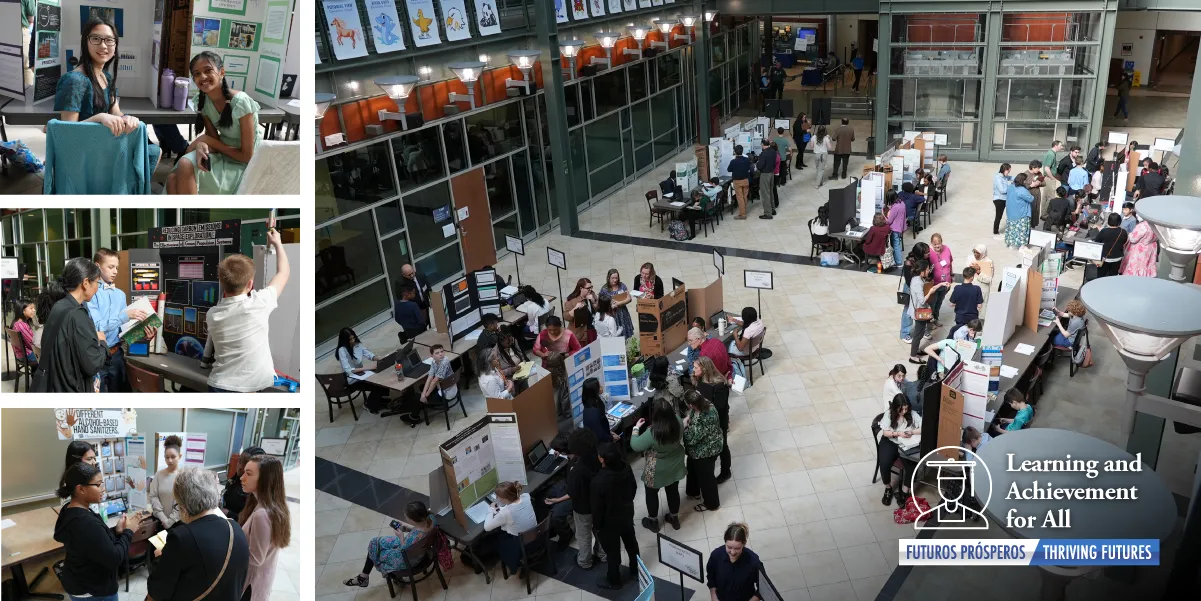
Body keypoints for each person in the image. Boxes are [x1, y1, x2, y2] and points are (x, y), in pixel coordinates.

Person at [55, 18, 161, 171]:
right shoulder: (74, 80)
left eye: (109, 40)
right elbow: (68, 133)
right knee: (149, 153)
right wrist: (99, 118)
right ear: (85, 42)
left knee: (151, 149)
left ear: (115, 45)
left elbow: (115, 111)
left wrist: (126, 118)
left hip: (103, 143)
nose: (103, 45)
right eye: (96, 39)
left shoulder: (106, 77)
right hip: (85, 155)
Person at [201, 217, 289, 392]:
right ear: (250, 284)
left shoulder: (212, 314)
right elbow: (283, 273)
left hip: (217, 384)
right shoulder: (258, 304)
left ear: (221, 282)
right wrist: (278, 243)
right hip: (249, 388)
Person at [147, 466, 250, 601]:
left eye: (178, 504)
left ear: (184, 505)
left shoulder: (181, 538)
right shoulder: (236, 529)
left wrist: (160, 558)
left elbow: (157, 591)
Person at [166, 52, 260, 194]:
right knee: (173, 178)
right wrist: (202, 145)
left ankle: (194, 214)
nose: (202, 77)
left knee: (185, 165)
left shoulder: (241, 103)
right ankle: (181, 215)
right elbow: (213, 140)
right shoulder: (203, 100)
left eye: (208, 70)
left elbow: (247, 156)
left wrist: (204, 140)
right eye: (197, 74)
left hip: (244, 162)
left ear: (222, 72)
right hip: (223, 153)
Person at [53, 462, 140, 601]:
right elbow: (114, 558)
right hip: (92, 591)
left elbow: (96, 545)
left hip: (81, 580)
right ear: (80, 489)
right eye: (98, 485)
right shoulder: (85, 522)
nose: (103, 489)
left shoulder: (71, 510)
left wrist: (117, 532)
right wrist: (129, 531)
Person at [30, 258, 108, 392]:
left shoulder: (59, 306)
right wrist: (102, 343)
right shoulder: (77, 315)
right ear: (85, 283)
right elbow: (92, 364)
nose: (97, 288)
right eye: (97, 283)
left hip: (54, 385)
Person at [87, 248, 155, 392]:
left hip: (117, 355)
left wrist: (142, 335)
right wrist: (125, 316)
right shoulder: (90, 293)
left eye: (117, 267)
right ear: (97, 266)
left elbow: (123, 330)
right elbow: (98, 326)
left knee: (121, 401)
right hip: (97, 356)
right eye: (111, 267)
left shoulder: (120, 295)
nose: (115, 271)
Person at [344, 501, 440, 587]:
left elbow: (404, 550)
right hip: (419, 549)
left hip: (409, 559)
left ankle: (363, 578)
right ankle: (363, 577)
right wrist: (407, 529)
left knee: (376, 553)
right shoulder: (431, 519)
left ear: (413, 520)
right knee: (375, 543)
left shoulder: (414, 537)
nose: (405, 518)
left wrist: (401, 537)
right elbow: (420, 533)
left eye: (407, 517)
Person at [239, 455, 291, 601]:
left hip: (251, 585)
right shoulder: (266, 507)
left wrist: (229, 546)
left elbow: (256, 558)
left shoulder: (262, 514)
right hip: (259, 581)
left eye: (249, 474)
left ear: (265, 479)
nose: (242, 478)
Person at [630, 398, 686, 533]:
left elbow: (635, 445)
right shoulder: (678, 421)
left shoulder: (653, 433)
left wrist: (636, 428)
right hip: (675, 463)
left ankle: (653, 521)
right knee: (673, 491)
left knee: (651, 493)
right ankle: (674, 518)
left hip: (656, 468)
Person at [592, 442, 639, 590]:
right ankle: (635, 570)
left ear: (602, 459)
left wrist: (597, 526)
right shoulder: (626, 467)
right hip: (626, 514)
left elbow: (597, 508)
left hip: (609, 523)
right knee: (631, 544)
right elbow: (634, 488)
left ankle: (614, 580)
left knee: (612, 553)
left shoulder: (598, 481)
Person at [482, 481, 538, 572]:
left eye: (498, 497)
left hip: (519, 543)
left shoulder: (505, 513)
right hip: (534, 535)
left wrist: (491, 510)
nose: (497, 499)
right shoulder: (526, 496)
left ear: (504, 499)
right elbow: (515, 507)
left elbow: (487, 527)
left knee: (493, 538)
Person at [877, 394, 921, 506]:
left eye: (906, 409)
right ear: (896, 407)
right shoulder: (889, 414)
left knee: (911, 465)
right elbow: (886, 433)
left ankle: (905, 492)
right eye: (902, 409)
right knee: (885, 463)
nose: (904, 411)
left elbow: (923, 427)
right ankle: (888, 487)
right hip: (891, 440)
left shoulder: (912, 414)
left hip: (906, 443)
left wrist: (912, 432)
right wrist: (899, 433)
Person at [682, 390, 723, 512]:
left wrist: (684, 427)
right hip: (714, 443)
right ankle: (693, 491)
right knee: (692, 467)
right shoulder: (707, 403)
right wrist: (690, 417)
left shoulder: (700, 420)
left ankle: (712, 503)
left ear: (691, 405)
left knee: (707, 478)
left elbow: (691, 439)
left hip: (705, 452)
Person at [692, 356, 732, 482]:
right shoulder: (700, 380)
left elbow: (719, 408)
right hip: (705, 421)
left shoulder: (720, 385)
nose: (693, 370)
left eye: (696, 367)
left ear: (704, 369)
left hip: (719, 421)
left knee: (722, 445)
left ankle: (726, 471)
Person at [335, 327, 388, 411]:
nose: (352, 341)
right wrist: (367, 367)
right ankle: (369, 405)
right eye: (350, 339)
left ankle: (379, 399)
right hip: (352, 378)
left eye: (353, 338)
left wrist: (381, 358)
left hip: (361, 374)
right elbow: (348, 371)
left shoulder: (357, 345)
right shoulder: (342, 350)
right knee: (377, 384)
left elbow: (370, 355)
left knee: (381, 376)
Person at [706, 523, 762, 601]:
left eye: (737, 548)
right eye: (729, 547)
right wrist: (713, 595)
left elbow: (762, 589)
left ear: (744, 544)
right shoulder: (716, 556)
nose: (732, 552)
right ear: (725, 542)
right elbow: (711, 577)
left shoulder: (754, 563)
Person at [908, 260, 947, 361]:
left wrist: (941, 285)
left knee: (919, 333)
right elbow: (922, 301)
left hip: (920, 310)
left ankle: (915, 350)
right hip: (919, 312)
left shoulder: (918, 279)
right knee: (918, 334)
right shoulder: (917, 282)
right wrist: (930, 292)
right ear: (922, 271)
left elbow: (927, 287)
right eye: (927, 269)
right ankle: (913, 356)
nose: (929, 270)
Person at [898, 242, 930, 344]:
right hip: (911, 288)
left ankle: (922, 330)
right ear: (920, 253)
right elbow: (908, 280)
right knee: (908, 310)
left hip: (921, 285)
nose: (929, 254)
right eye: (926, 252)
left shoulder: (925, 259)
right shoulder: (909, 263)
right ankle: (905, 333)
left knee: (923, 308)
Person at [149, 435, 183, 528]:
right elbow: (153, 496)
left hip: (178, 523)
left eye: (173, 457)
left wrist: (170, 521)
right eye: (167, 457)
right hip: (160, 521)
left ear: (179, 456)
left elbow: (182, 503)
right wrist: (163, 518)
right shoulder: (158, 475)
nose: (169, 460)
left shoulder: (183, 476)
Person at [222, 446, 265, 518]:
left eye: (245, 463)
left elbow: (250, 520)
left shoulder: (256, 493)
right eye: (240, 461)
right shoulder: (235, 479)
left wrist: (229, 513)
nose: (240, 466)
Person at [598, 269, 635, 338]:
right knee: (614, 334)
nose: (615, 280)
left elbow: (629, 298)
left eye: (616, 278)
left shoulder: (622, 285)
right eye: (613, 278)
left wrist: (619, 303)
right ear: (608, 278)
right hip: (611, 314)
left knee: (624, 334)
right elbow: (600, 302)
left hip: (622, 313)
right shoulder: (604, 289)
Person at [927, 234, 953, 327]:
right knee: (932, 303)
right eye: (935, 244)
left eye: (939, 243)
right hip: (934, 284)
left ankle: (936, 318)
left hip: (945, 282)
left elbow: (950, 263)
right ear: (931, 243)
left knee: (939, 302)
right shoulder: (929, 252)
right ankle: (929, 322)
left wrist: (951, 276)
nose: (937, 246)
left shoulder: (947, 249)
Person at [1004, 172, 1035, 249]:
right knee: (1022, 230)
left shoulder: (1010, 187)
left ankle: (1011, 244)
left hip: (1010, 212)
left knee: (1011, 229)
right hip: (1021, 214)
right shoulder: (1022, 190)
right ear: (1023, 181)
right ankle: (1022, 246)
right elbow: (1031, 198)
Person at [581, 377, 616, 443]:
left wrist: (609, 433)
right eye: (599, 386)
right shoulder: (592, 412)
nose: (601, 387)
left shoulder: (595, 402)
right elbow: (599, 434)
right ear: (594, 391)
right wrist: (611, 438)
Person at [1094, 213, 1129, 278]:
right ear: (1119, 222)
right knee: (1113, 276)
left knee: (1101, 275)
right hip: (1118, 258)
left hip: (1105, 258)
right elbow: (1124, 242)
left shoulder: (1104, 231)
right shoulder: (1123, 231)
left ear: (1109, 221)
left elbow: (1097, 242)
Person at [755, 139, 778, 219]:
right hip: (771, 173)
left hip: (765, 174)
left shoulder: (763, 154)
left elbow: (759, 166)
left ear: (762, 144)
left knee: (765, 194)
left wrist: (758, 162)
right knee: (771, 191)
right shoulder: (773, 151)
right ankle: (772, 209)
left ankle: (768, 213)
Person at [728, 145, 752, 219]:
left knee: (739, 197)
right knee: (745, 196)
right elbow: (749, 167)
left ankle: (742, 214)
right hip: (746, 180)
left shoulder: (733, 161)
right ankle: (743, 210)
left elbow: (729, 169)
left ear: (735, 152)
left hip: (737, 181)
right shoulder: (747, 159)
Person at [11, 298, 37, 362]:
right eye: (31, 308)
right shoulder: (21, 325)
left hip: (22, 354)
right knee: (50, 356)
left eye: (34, 308)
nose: (34, 310)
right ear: (23, 310)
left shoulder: (18, 322)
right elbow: (32, 344)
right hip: (27, 355)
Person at [884, 189, 906, 266]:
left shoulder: (895, 207)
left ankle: (899, 262)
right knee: (897, 244)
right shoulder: (902, 203)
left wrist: (883, 216)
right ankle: (898, 260)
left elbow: (889, 221)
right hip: (900, 227)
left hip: (894, 229)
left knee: (896, 245)